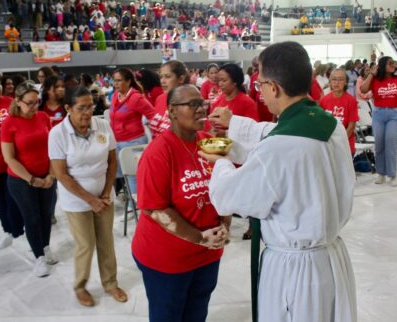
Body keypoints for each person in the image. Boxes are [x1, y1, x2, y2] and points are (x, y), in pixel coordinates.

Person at [200, 41, 357, 322]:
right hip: (329, 258)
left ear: (274, 87)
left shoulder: (278, 148)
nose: (260, 94)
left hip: (295, 270)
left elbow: (228, 196)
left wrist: (221, 160)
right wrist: (234, 123)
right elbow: (276, 137)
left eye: (260, 86)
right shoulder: (327, 125)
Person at [132, 84, 230, 322]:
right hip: (167, 260)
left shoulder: (209, 141)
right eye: (192, 104)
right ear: (172, 111)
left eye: (202, 103)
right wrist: (199, 237)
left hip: (207, 255)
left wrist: (224, 226)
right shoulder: (158, 152)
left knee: (197, 313)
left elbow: (229, 184)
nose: (200, 109)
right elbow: (155, 208)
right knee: (169, 315)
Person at [49, 86, 127, 307]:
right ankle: (80, 286)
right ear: (68, 108)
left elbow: (112, 162)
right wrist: (90, 200)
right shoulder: (58, 134)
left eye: (90, 107)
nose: (87, 113)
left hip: (103, 195)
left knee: (106, 241)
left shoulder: (102, 125)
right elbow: (61, 174)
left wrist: (104, 192)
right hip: (76, 200)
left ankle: (110, 283)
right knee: (86, 243)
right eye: (81, 108)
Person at [1, 81, 57, 277]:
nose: (35, 107)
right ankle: (39, 256)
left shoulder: (43, 117)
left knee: (45, 215)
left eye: (37, 102)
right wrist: (32, 180)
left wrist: (51, 174)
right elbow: (10, 158)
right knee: (32, 217)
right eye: (30, 103)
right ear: (18, 101)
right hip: (21, 180)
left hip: (46, 175)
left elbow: (52, 149)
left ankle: (46, 246)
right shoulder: (9, 123)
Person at [361, 56, 397, 186]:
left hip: (394, 114)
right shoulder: (375, 80)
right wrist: (371, 73)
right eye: (390, 63)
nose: (394, 65)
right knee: (380, 145)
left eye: (394, 63)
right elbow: (363, 90)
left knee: (391, 144)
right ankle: (381, 173)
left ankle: (392, 175)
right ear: (382, 66)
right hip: (378, 114)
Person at [109, 68, 157, 194]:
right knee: (122, 175)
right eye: (114, 80)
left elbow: (153, 115)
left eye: (119, 80)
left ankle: (136, 207)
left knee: (134, 177)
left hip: (133, 143)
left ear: (129, 81)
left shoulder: (136, 98)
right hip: (118, 142)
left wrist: (156, 137)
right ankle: (132, 202)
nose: (116, 84)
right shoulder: (115, 95)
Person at [0, 77, 24, 249]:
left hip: (12, 162)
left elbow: (18, 128)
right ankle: (7, 230)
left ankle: (18, 229)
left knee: (12, 197)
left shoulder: (10, 102)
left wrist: (2, 135)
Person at [320, 68, 359, 155]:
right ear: (330, 81)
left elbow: (351, 126)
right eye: (334, 79)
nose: (337, 82)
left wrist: (339, 142)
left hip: (345, 144)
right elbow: (321, 123)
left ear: (346, 82)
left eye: (341, 79)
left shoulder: (351, 100)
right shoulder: (324, 100)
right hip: (329, 144)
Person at [150, 60, 190, 137]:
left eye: (167, 77)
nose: (162, 81)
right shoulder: (160, 99)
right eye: (161, 77)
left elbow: (207, 132)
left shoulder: (191, 102)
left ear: (181, 79)